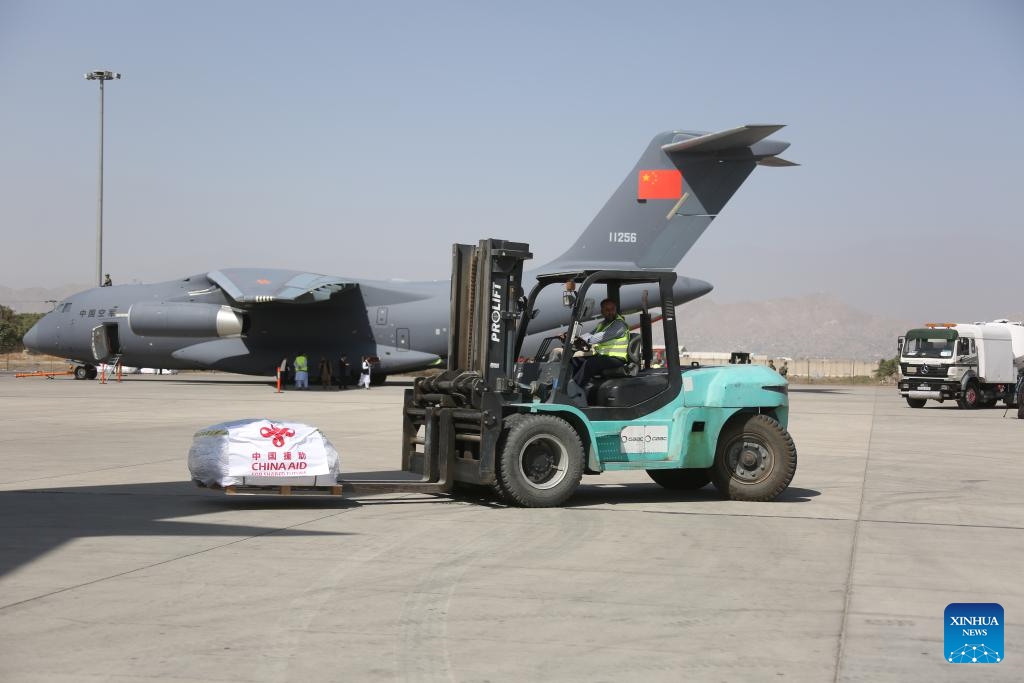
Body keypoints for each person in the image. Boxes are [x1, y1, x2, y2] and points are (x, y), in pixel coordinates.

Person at [561, 298, 629, 389]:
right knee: (574, 361)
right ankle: (564, 386)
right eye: (607, 310)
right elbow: (589, 334)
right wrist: (571, 338)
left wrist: (579, 340)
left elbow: (598, 338)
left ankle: (574, 391)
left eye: (612, 309)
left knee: (590, 364)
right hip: (603, 357)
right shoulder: (602, 324)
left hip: (617, 359)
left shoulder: (619, 325)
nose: (610, 312)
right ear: (602, 312)